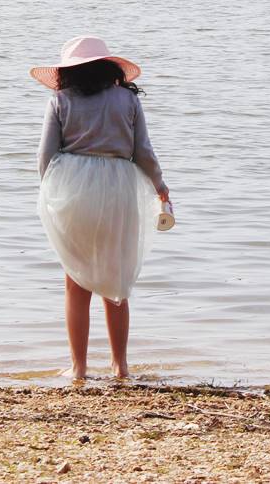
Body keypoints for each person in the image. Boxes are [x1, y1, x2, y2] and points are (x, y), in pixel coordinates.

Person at [32, 35, 171, 382]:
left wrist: (53, 193)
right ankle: (120, 366)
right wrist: (160, 186)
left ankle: (78, 368)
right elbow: (143, 153)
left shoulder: (60, 101)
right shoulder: (127, 101)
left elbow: (45, 158)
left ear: (69, 72)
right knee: (117, 278)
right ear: (108, 66)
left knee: (75, 282)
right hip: (119, 186)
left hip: (74, 185)